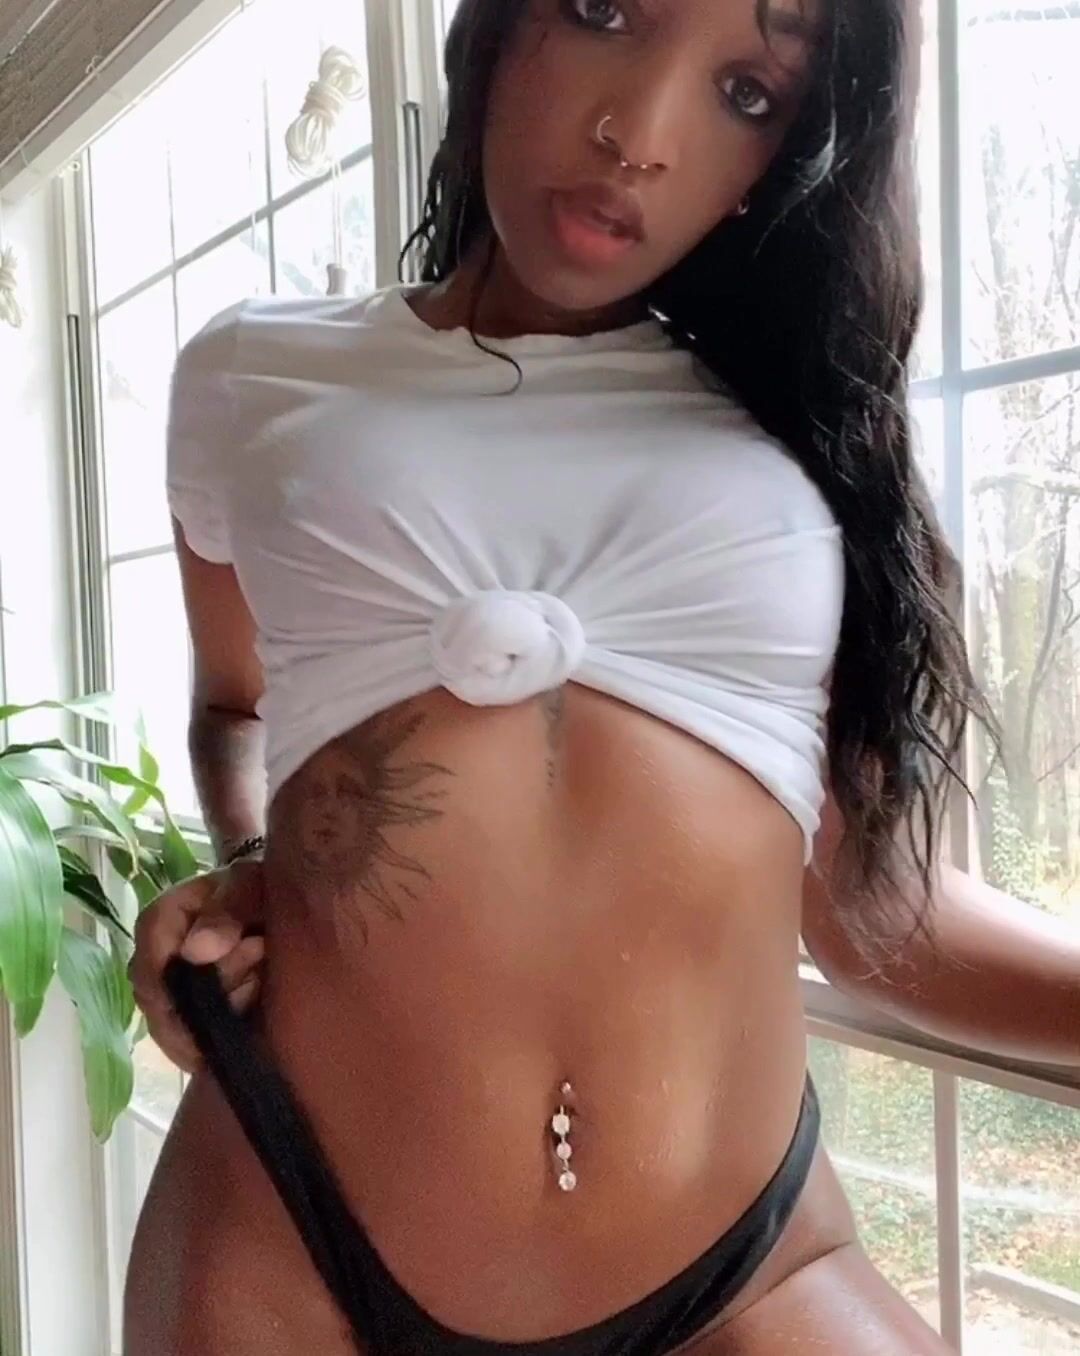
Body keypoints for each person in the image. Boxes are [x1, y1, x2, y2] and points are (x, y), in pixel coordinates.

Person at [123, 1, 1080, 1352]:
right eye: (604, 11)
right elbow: (236, 713)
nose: (638, 132)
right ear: (496, 27)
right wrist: (254, 875)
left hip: (739, 1268)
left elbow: (874, 913)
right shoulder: (251, 375)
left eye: (748, 91)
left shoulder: (808, 439)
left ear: (785, 156)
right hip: (288, 1226)